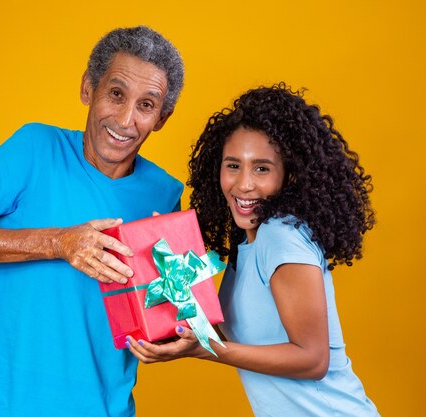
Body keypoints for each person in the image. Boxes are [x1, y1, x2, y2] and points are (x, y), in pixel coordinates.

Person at [0, 26, 184, 417]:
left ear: (162, 118)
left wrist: (177, 331)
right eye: (116, 93)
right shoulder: (34, 148)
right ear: (88, 88)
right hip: (2, 406)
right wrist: (58, 243)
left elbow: (163, 313)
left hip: (106, 409)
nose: (126, 120)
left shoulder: (165, 194)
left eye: (146, 104)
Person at [126, 83, 381, 416]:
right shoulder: (247, 241)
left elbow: (313, 359)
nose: (244, 184)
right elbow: (228, 335)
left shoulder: (281, 236)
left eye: (262, 168)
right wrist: (169, 269)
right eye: (233, 165)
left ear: (289, 175)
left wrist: (208, 349)